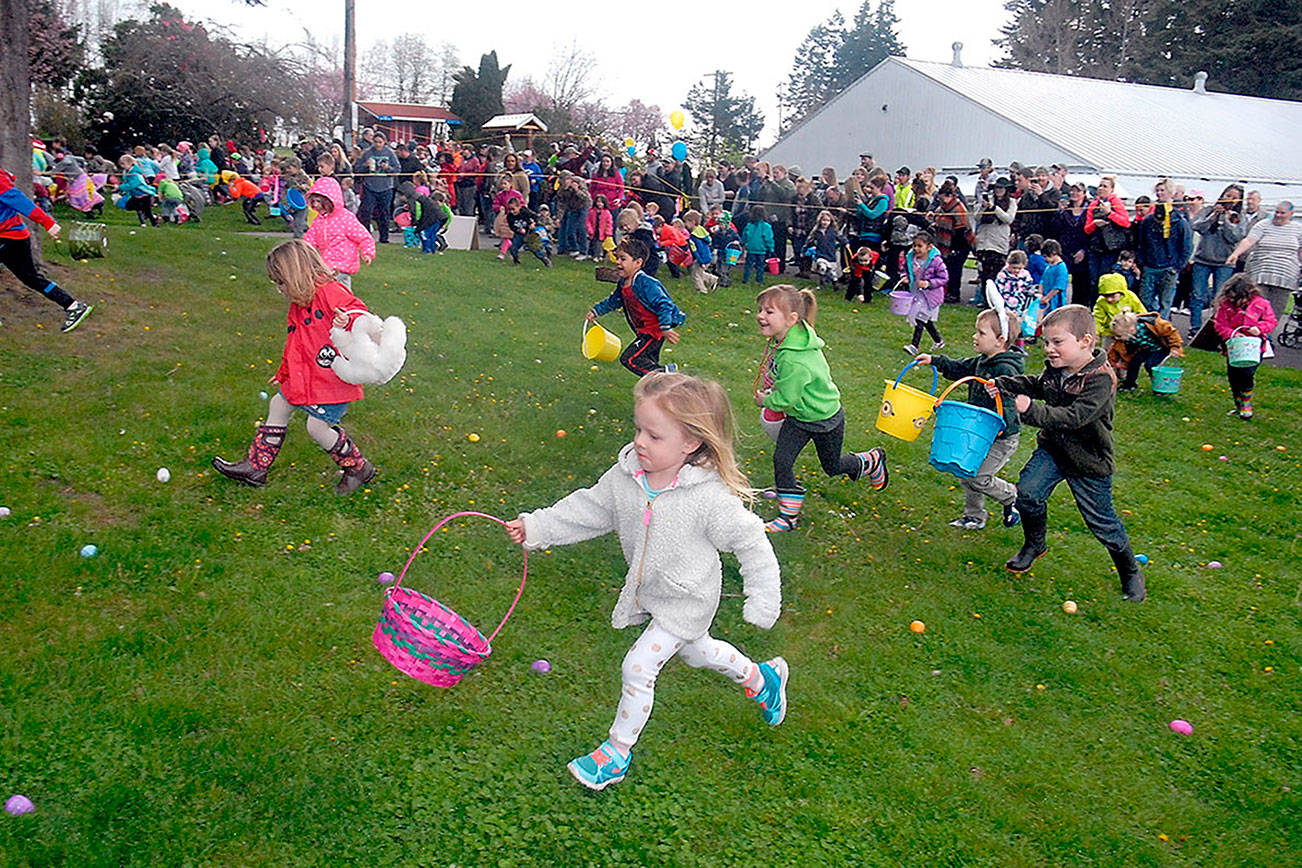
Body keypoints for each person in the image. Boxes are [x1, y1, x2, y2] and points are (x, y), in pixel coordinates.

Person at [504, 372, 784, 792]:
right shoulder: (627, 477)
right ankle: (763, 680)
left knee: (638, 665)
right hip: (655, 593)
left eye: (654, 436)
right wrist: (537, 526)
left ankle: (615, 753)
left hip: (688, 599)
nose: (640, 442)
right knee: (697, 652)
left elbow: (752, 542)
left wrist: (762, 599)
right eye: (639, 429)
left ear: (691, 443)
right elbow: (590, 508)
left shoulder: (708, 499)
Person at [991, 304, 1146, 601]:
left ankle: (1129, 572)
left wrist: (1030, 411)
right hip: (1053, 450)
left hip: (1088, 459)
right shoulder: (1058, 368)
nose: (1049, 349)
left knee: (1102, 522)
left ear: (1085, 341)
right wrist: (1004, 385)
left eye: (1057, 342)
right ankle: (1034, 544)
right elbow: (1039, 384)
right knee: (1028, 494)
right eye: (1047, 342)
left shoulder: (1101, 379)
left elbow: (1075, 417)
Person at [212, 240, 377, 494]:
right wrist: (284, 372)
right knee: (278, 404)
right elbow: (295, 343)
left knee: (317, 427)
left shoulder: (331, 293)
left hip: (332, 379)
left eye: (281, 282)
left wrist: (349, 319)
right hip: (305, 376)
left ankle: (357, 467)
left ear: (297, 274)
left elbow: (361, 313)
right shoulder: (299, 305)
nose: (280, 289)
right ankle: (257, 467)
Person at [754, 285, 888, 533]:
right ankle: (788, 517)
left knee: (833, 466)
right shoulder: (789, 338)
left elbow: (786, 400)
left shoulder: (795, 358)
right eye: (760, 309)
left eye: (769, 311)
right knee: (782, 460)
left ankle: (871, 460)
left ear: (792, 319)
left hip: (825, 418)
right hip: (799, 418)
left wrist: (766, 400)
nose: (761, 315)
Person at [915, 307, 1025, 530]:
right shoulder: (982, 361)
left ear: (1000, 340)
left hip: (1001, 436)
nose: (975, 337)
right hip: (979, 432)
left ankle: (1012, 497)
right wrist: (935, 360)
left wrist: (1002, 392)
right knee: (966, 471)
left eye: (981, 333)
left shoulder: (1005, 368)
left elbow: (1013, 401)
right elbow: (960, 368)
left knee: (978, 476)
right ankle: (973, 516)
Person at [0, 168, 93, 332]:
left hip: (10, 236)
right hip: (10, 236)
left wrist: (47, 222)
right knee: (30, 277)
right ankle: (73, 305)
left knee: (31, 277)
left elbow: (20, 200)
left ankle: (74, 306)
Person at [588, 237, 685, 376]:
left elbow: (664, 304)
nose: (618, 262)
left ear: (638, 262)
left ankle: (666, 373)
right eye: (617, 258)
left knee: (630, 359)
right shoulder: (623, 283)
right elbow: (614, 300)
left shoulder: (646, 283)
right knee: (648, 365)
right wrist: (596, 311)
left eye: (623, 259)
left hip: (653, 332)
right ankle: (659, 390)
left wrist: (665, 327)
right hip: (643, 331)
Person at [1225, 200, 1302, 336]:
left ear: (1291, 214)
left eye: (1282, 213)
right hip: (1261, 273)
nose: (1277, 215)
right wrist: (1235, 254)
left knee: (1276, 310)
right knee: (1255, 307)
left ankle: (1267, 338)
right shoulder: (1263, 225)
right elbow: (1249, 240)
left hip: (1285, 277)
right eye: (1276, 212)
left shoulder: (1298, 229)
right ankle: (1249, 335)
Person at [1211, 274, 1277, 419]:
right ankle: (1238, 404)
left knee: (1247, 373)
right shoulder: (1226, 305)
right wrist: (1231, 334)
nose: (1236, 302)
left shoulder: (1261, 304)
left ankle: (1246, 403)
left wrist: (1259, 328)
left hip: (1255, 347)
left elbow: (1271, 321)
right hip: (1234, 347)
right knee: (1233, 376)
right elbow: (1220, 324)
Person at [1188, 183, 1245, 335]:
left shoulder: (1238, 217)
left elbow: (1235, 237)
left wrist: (1226, 220)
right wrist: (1213, 216)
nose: (1230, 199)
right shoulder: (1208, 210)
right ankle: (1194, 328)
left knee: (1219, 297)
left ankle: (1216, 328)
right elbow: (1197, 226)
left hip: (1224, 262)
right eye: (1228, 195)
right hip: (1203, 259)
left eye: (1234, 197)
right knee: (1197, 295)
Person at [303, 177, 375, 288]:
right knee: (336, 290)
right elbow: (311, 238)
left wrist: (367, 253)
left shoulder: (346, 218)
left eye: (319, 201)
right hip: (326, 262)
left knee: (330, 286)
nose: (316, 205)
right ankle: (337, 304)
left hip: (342, 263)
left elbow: (364, 237)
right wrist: (302, 250)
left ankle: (338, 304)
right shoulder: (319, 220)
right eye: (313, 202)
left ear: (330, 201)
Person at [1136, 178, 1194, 318]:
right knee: (1145, 302)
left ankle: (1162, 332)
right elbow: (1141, 243)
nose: (1159, 193)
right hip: (1150, 265)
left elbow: (1187, 246)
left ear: (1170, 192)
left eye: (1163, 190)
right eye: (1158, 190)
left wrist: (1177, 267)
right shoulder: (1148, 220)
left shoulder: (1179, 220)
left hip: (1169, 267)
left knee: (1165, 304)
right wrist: (1142, 262)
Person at [1108, 310, 1184, 392]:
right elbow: (1115, 350)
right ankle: (1129, 384)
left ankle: (1160, 385)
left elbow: (1171, 333)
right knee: (1134, 362)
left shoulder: (1155, 324)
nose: (1119, 338)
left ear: (1131, 330)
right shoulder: (1126, 336)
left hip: (1160, 348)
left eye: (1121, 335)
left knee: (1150, 364)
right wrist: (1109, 364)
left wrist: (1175, 347)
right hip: (1146, 349)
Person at [1083, 176, 1132, 301]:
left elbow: (1125, 222)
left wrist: (1110, 214)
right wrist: (1095, 223)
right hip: (1095, 249)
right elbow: (1087, 229)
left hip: (1111, 249)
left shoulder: (1117, 203)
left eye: (1105, 186)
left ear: (1112, 189)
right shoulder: (1093, 205)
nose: (1101, 189)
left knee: (1106, 280)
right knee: (1094, 281)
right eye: (1100, 185)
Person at [901, 232, 948, 354]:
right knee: (925, 319)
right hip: (917, 293)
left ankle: (914, 346)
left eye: (919, 246)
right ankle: (938, 341)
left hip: (930, 296)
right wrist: (905, 277)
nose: (916, 249)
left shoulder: (936, 261)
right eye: (914, 245)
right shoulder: (910, 258)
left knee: (920, 319)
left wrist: (928, 283)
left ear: (929, 247)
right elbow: (904, 269)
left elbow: (944, 278)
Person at [928, 181, 972, 304]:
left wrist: (955, 249)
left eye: (944, 199)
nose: (942, 202)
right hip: (946, 243)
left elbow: (962, 231)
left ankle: (954, 294)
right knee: (945, 268)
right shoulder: (942, 208)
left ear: (950, 196)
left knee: (955, 270)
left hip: (960, 244)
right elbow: (940, 217)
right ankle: (945, 292)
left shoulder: (958, 209)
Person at [974, 178, 1017, 300]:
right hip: (984, 241)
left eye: (1001, 188)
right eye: (997, 188)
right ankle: (985, 299)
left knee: (997, 273)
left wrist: (994, 208)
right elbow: (977, 218)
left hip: (999, 242)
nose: (999, 190)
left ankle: (997, 300)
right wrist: (983, 207)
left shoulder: (1012, 202)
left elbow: (1008, 219)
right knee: (984, 274)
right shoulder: (987, 199)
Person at [355, 133, 401, 243]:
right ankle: (366, 237)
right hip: (370, 186)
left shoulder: (390, 153)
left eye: (380, 142)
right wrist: (365, 166)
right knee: (366, 212)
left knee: (384, 213)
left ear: (384, 142)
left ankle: (384, 238)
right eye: (376, 142)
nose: (378, 144)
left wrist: (388, 168)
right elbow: (357, 169)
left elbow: (397, 169)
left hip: (386, 187)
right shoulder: (367, 153)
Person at [1092, 272, 1147, 343]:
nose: (1109, 299)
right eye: (1105, 296)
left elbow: (1142, 314)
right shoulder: (1101, 301)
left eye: (1112, 296)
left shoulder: (1131, 297)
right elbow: (1097, 319)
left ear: (1121, 291)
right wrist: (1096, 333)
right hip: (1109, 332)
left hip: (1130, 332)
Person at [503, 198, 551, 267]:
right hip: (519, 234)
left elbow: (535, 216)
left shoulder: (525, 211)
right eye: (510, 209)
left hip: (529, 233)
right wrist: (518, 230)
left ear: (519, 207)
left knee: (535, 249)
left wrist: (533, 224)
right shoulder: (510, 217)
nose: (512, 211)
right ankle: (516, 261)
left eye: (513, 209)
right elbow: (511, 226)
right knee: (513, 248)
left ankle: (545, 260)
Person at [681, 209, 718, 294]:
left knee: (695, 275)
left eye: (686, 222)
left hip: (701, 258)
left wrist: (701, 261)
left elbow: (696, 250)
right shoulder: (702, 231)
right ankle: (712, 279)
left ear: (693, 222)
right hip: (707, 256)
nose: (685, 224)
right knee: (699, 272)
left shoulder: (694, 237)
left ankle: (701, 290)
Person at [805, 209, 842, 289]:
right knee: (822, 267)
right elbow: (809, 240)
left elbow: (841, 238)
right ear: (820, 221)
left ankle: (835, 283)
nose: (825, 222)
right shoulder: (816, 232)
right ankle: (821, 283)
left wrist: (845, 243)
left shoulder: (833, 231)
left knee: (832, 272)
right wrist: (807, 248)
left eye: (828, 220)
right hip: (820, 254)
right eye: (824, 220)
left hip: (831, 254)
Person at [741, 204, 775, 285]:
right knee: (760, 266)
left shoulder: (749, 225)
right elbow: (768, 238)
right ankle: (759, 280)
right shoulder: (766, 226)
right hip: (761, 249)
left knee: (748, 265)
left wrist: (743, 244)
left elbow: (744, 236)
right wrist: (771, 248)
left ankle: (746, 279)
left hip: (750, 248)